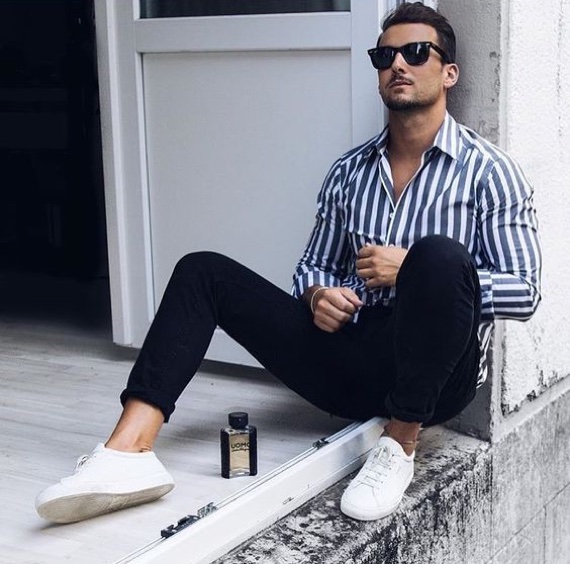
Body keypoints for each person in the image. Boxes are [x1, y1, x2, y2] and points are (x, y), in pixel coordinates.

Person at [35, 2, 541, 524]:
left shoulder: (489, 173)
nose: (397, 64)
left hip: (436, 379)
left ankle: (398, 443)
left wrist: (410, 269)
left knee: (438, 256)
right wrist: (319, 295)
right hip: (351, 360)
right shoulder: (349, 173)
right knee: (202, 271)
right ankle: (128, 452)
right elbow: (312, 266)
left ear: (449, 72)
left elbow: (525, 291)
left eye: (415, 53)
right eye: (384, 56)